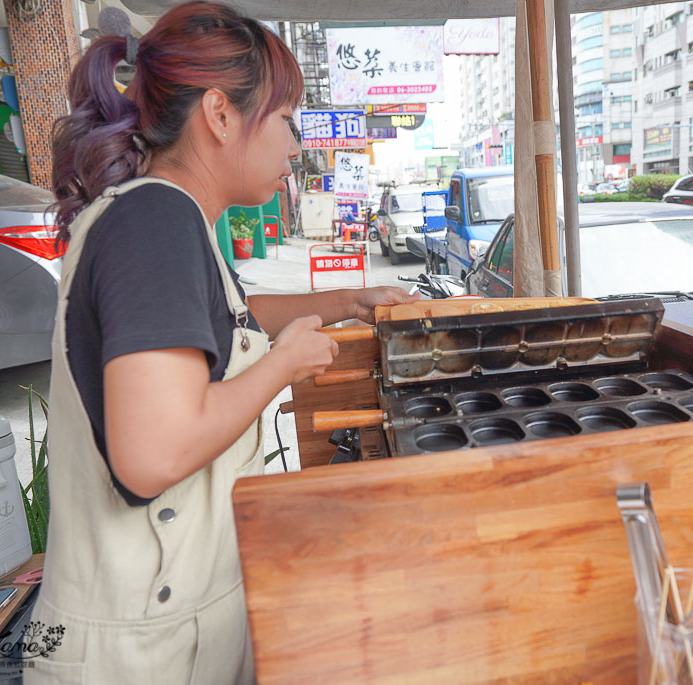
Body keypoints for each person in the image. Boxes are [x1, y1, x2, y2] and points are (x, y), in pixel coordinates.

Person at [26, 3, 416, 682]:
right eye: (288, 119)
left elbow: (223, 322)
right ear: (219, 114)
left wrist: (345, 302)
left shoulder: (169, 215)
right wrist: (284, 363)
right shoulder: (154, 222)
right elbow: (155, 453)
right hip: (141, 650)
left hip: (165, 627)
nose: (297, 147)